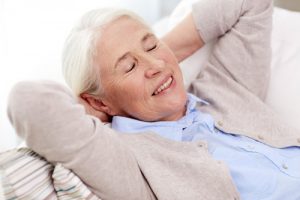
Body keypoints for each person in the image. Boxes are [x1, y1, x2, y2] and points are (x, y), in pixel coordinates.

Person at [7, 0, 300, 199]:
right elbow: (29, 103)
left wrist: (163, 54)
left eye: (151, 44)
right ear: (97, 103)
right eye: (129, 67)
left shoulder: (224, 86)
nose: (156, 66)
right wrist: (102, 103)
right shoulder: (130, 163)